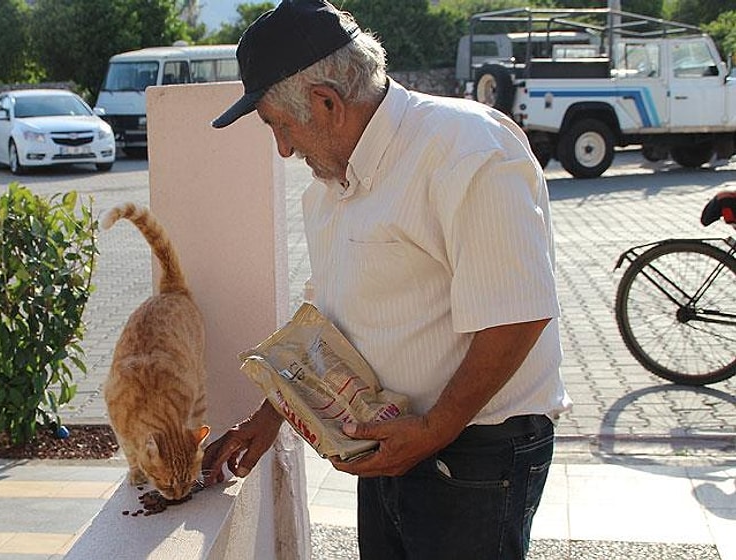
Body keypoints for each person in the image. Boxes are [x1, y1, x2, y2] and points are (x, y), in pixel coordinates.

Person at [204, 1, 572, 558]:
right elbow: (331, 318)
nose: (283, 147)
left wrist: (437, 428)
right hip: (396, 442)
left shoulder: (466, 149)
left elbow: (519, 313)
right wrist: (269, 415)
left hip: (474, 451)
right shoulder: (334, 182)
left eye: (280, 125)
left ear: (327, 103)